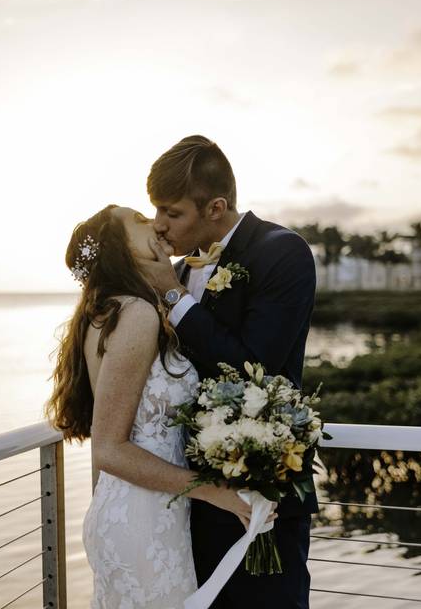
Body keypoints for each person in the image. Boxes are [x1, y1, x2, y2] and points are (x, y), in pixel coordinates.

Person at [45, 204, 258, 609]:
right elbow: (109, 449)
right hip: (142, 520)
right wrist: (216, 492)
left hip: (137, 514)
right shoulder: (136, 314)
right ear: (119, 248)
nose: (156, 225)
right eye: (140, 221)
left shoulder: (108, 310)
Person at [137, 135, 318, 609]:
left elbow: (251, 365)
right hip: (188, 498)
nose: (158, 225)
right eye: (155, 210)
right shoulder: (175, 271)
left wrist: (173, 297)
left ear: (215, 207)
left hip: (262, 493)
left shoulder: (283, 253)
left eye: (171, 213)